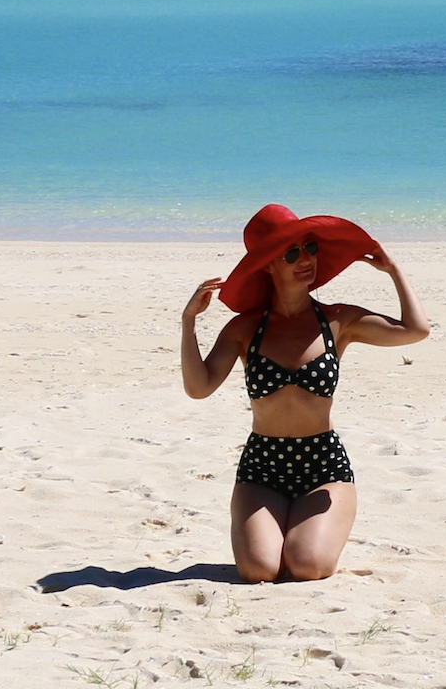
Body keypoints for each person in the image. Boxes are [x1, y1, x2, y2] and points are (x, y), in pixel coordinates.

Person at [180, 204, 429, 583]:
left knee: (308, 566)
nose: (306, 260)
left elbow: (416, 330)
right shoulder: (244, 328)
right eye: (292, 253)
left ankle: (303, 532)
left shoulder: (338, 320)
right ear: (268, 265)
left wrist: (393, 270)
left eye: (310, 248)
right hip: (262, 466)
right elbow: (199, 388)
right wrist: (188, 322)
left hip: (323, 467)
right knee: (258, 570)